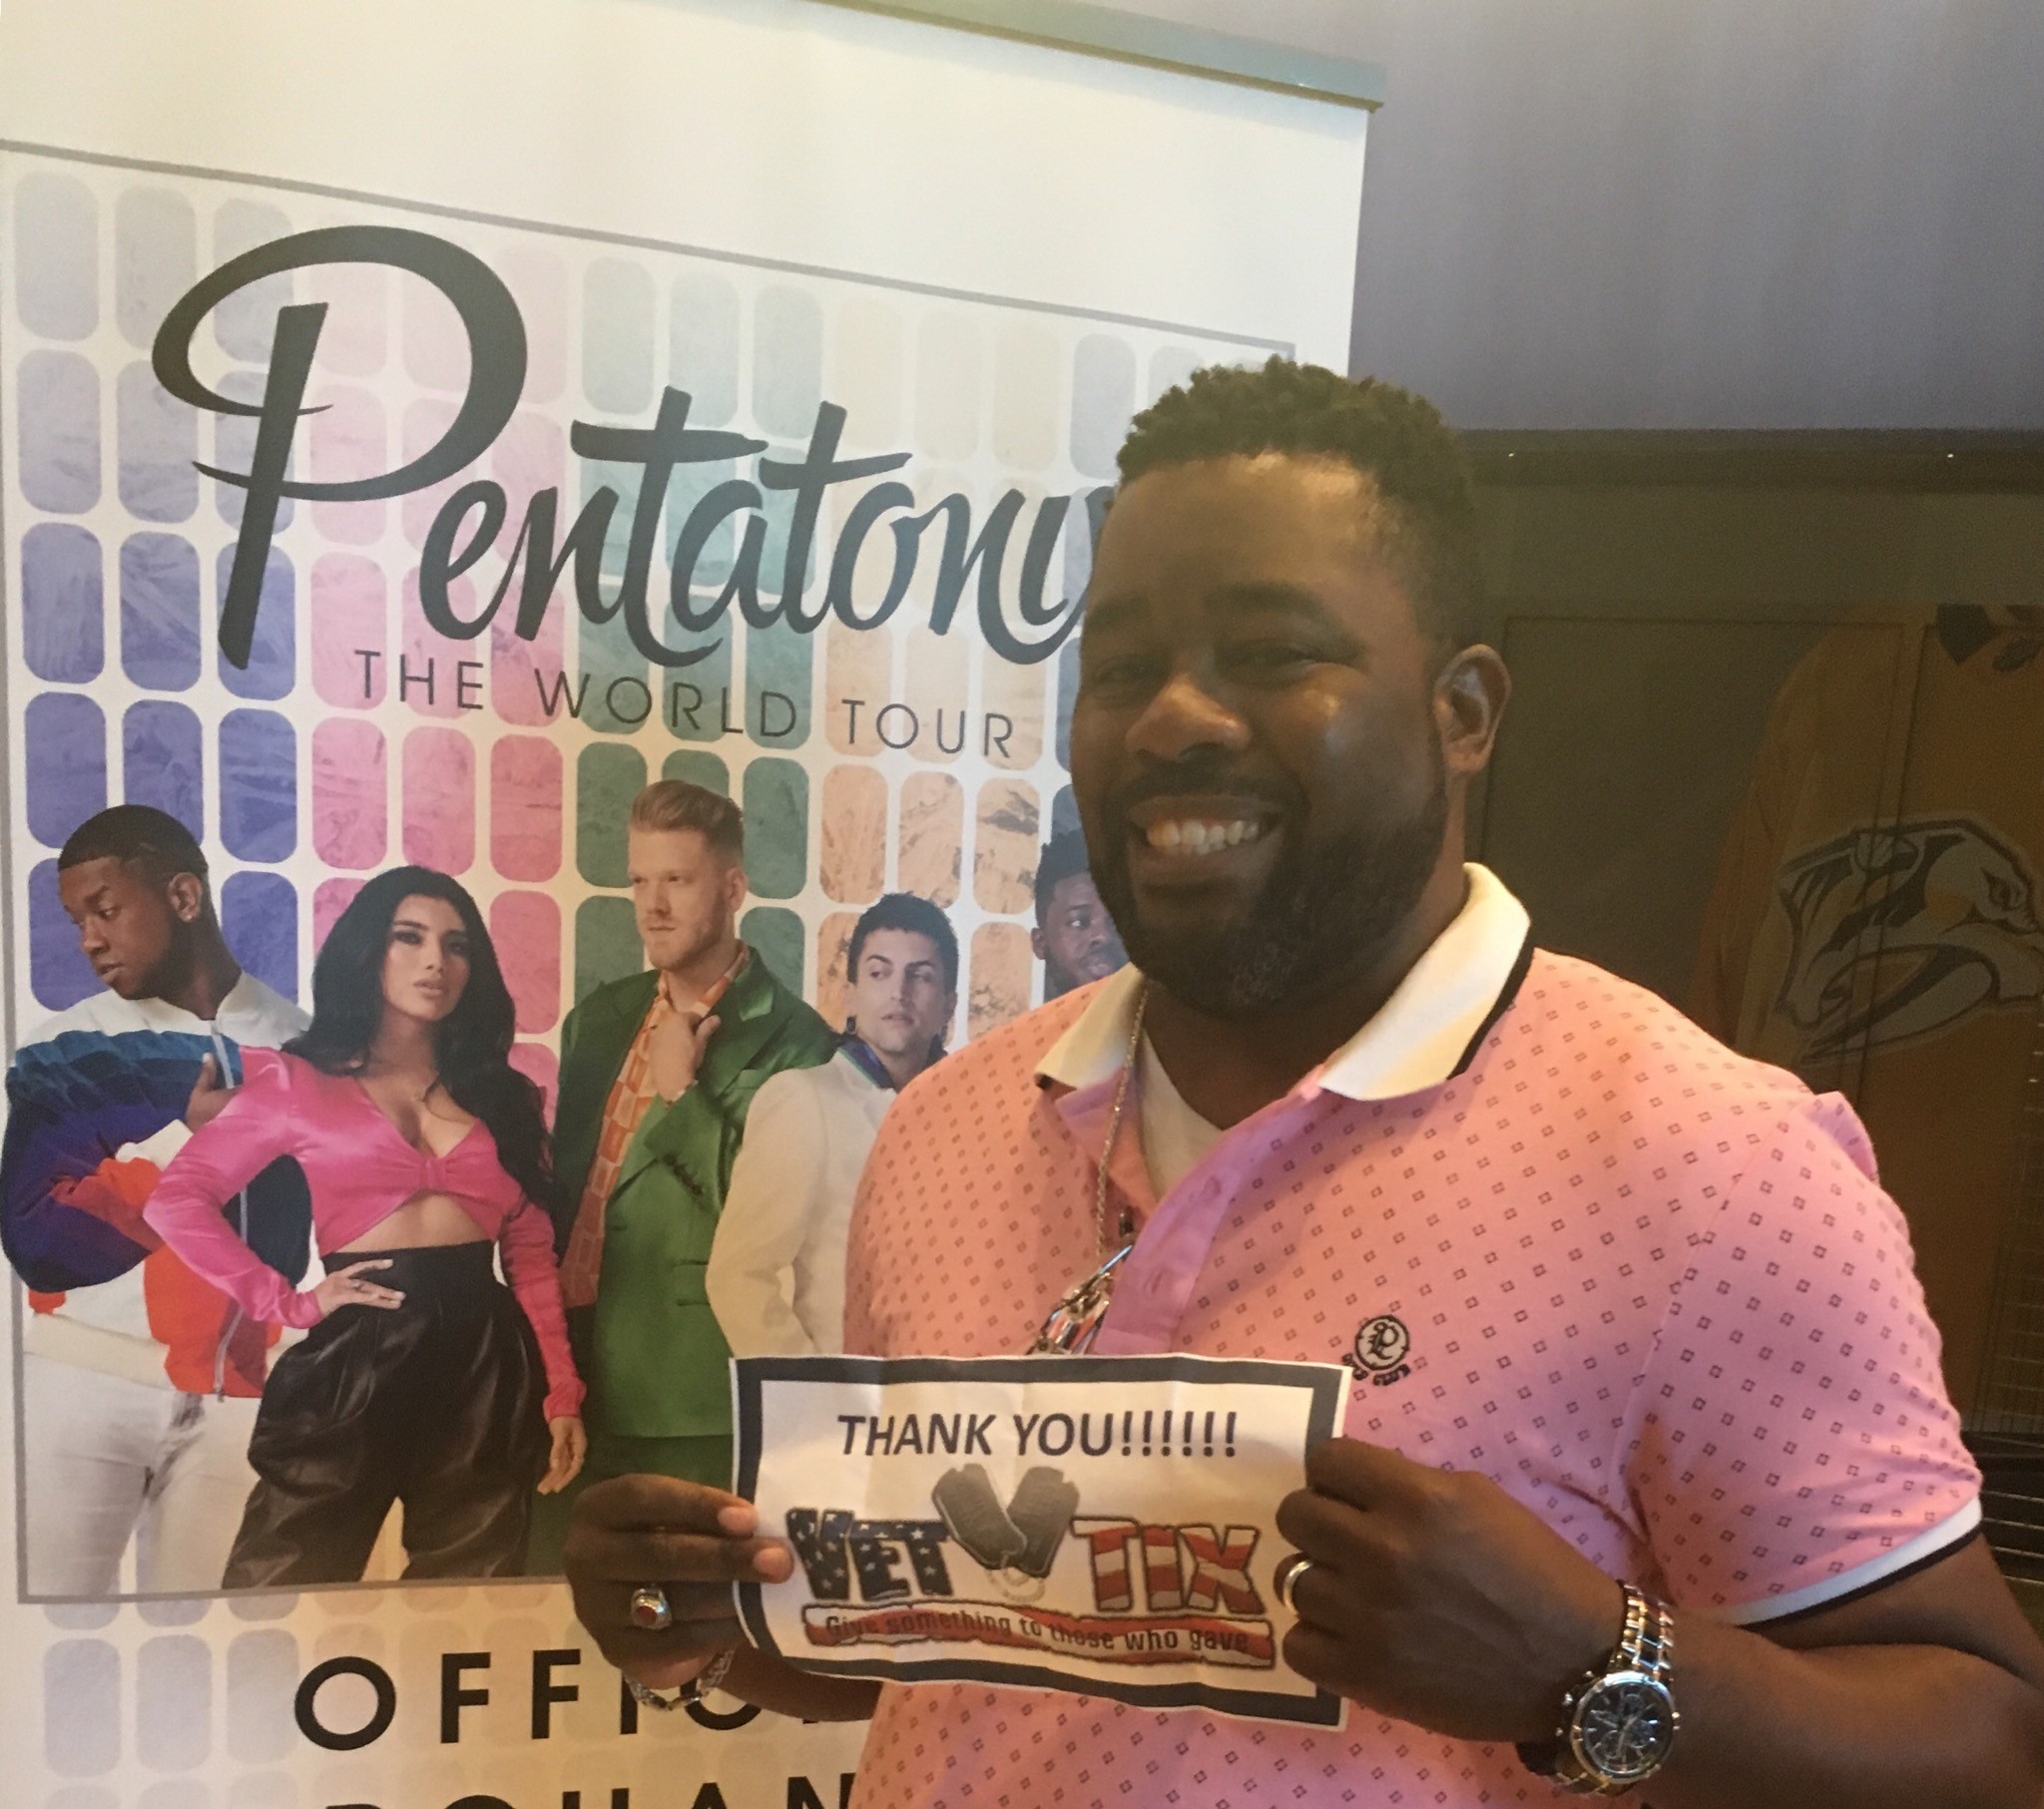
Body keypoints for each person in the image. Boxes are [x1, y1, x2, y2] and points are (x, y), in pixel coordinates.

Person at [563, 359, 2044, 1805]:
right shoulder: (948, 1125)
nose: (1173, 718)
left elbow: (1989, 1745)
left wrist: (1583, 1667)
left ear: (1464, 711)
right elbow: (961, 1653)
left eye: (1271, 653)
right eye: (1120, 669)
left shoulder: (1709, 1165)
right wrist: (710, 1621)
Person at [142, 866, 585, 1585]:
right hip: (357, 1351)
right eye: (409, 937)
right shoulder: (298, 1083)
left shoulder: (506, 1097)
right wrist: (288, 1302)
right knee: (282, 1589)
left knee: (471, 1593)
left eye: (457, 945)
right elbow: (178, 1199)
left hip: (484, 1355)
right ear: (367, 950)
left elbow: (531, 1255)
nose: (436, 961)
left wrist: (562, 1390)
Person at [526, 780, 836, 1570]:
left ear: (733, 888)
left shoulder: (799, 1042)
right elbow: (568, 1194)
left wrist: (680, 1094)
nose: (652, 905)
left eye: (677, 880)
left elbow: (767, 1228)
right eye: (640, 880)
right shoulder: (597, 1019)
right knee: (546, 1605)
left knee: (681, 1608)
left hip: (688, 1391)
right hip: (569, 1376)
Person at [1, 804, 310, 1595]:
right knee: (54, 1631)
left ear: (183, 897)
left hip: (243, 1403)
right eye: (77, 921)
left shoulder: (305, 1044)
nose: (88, 940)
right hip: (84, 1388)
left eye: (104, 910)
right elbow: (39, 1238)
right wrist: (187, 1142)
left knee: (211, 1642)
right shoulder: (65, 1047)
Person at [706, 893, 957, 1357]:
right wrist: (809, 1384)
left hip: (945, 1391)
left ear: (949, 1006)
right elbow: (738, 1275)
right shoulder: (804, 1099)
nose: (899, 992)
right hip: (842, 1388)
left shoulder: (967, 1116)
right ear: (850, 995)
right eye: (879, 973)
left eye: (920, 976)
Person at [1031, 828, 1126, 1000]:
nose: (1103, 936)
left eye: (1115, 922)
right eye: (1079, 922)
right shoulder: (1020, 1019)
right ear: (1040, 943)